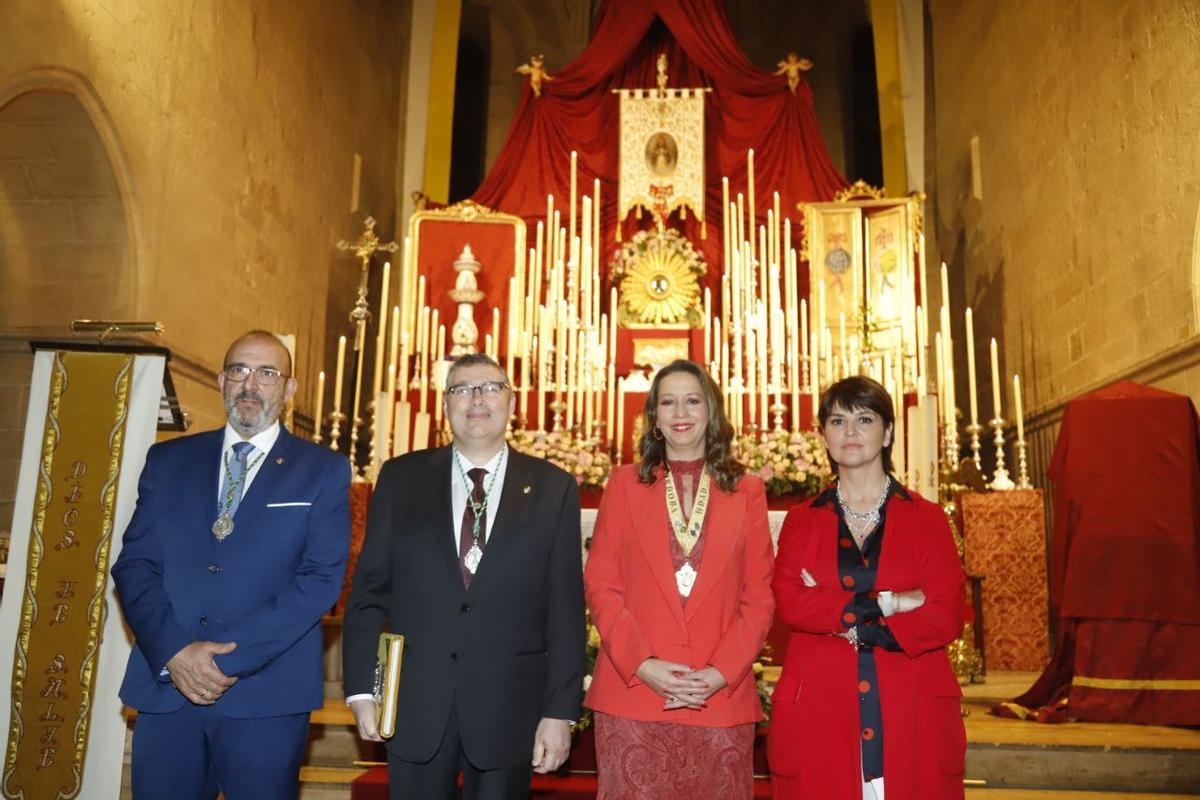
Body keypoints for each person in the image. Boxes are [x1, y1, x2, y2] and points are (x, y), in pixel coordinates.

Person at [112, 330, 351, 799]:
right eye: (239, 370)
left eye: (267, 374)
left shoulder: (321, 470)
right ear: (221, 379)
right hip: (168, 687)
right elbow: (134, 565)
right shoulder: (168, 460)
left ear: (289, 388)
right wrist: (177, 652)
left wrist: (228, 661)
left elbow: (320, 581)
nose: (250, 385)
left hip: (265, 694)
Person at [343, 352, 585, 800]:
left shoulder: (553, 488)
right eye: (461, 389)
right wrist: (361, 690)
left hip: (509, 707)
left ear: (511, 402)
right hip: (415, 704)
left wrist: (560, 712)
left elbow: (566, 609)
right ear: (446, 404)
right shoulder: (401, 478)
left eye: (489, 387)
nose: (476, 399)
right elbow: (369, 593)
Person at [584, 359, 775, 799]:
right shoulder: (623, 484)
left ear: (712, 411)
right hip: (635, 695)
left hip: (718, 698)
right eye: (667, 402)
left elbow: (759, 596)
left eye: (692, 400)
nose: (680, 413)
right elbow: (602, 585)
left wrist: (719, 672)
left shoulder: (747, 490)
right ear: (654, 418)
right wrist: (643, 665)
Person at [768, 376, 966, 800]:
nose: (851, 432)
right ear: (823, 435)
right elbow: (790, 602)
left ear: (888, 431)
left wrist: (843, 616)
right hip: (821, 709)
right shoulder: (802, 520)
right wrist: (895, 602)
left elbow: (946, 614)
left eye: (865, 418)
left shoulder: (927, 519)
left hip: (912, 707)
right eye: (838, 421)